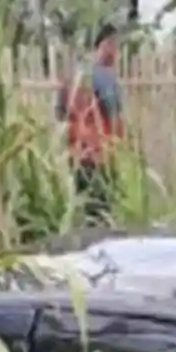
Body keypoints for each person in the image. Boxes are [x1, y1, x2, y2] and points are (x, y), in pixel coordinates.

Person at [58, 24, 124, 222]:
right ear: (106, 46)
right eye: (115, 46)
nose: (117, 53)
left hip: (77, 152)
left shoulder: (71, 78)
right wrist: (116, 146)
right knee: (102, 211)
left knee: (85, 207)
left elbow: (61, 114)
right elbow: (113, 114)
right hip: (99, 152)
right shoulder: (104, 76)